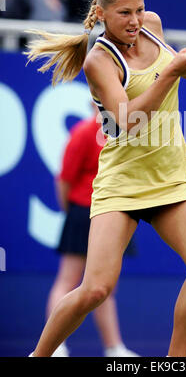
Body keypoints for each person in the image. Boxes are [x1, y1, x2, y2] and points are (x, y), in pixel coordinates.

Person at [26, 0, 186, 357]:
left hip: (171, 178)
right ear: (101, 13)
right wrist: (173, 72)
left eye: (139, 9)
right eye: (124, 13)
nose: (135, 20)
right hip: (120, 185)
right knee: (95, 289)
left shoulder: (151, 26)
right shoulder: (98, 61)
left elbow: (175, 62)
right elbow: (129, 119)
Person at [47, 106, 139, 357]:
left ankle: (114, 348)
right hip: (83, 212)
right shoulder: (83, 132)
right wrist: (74, 213)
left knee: (105, 286)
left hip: (116, 212)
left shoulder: (127, 134)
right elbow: (65, 179)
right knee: (68, 279)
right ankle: (55, 348)